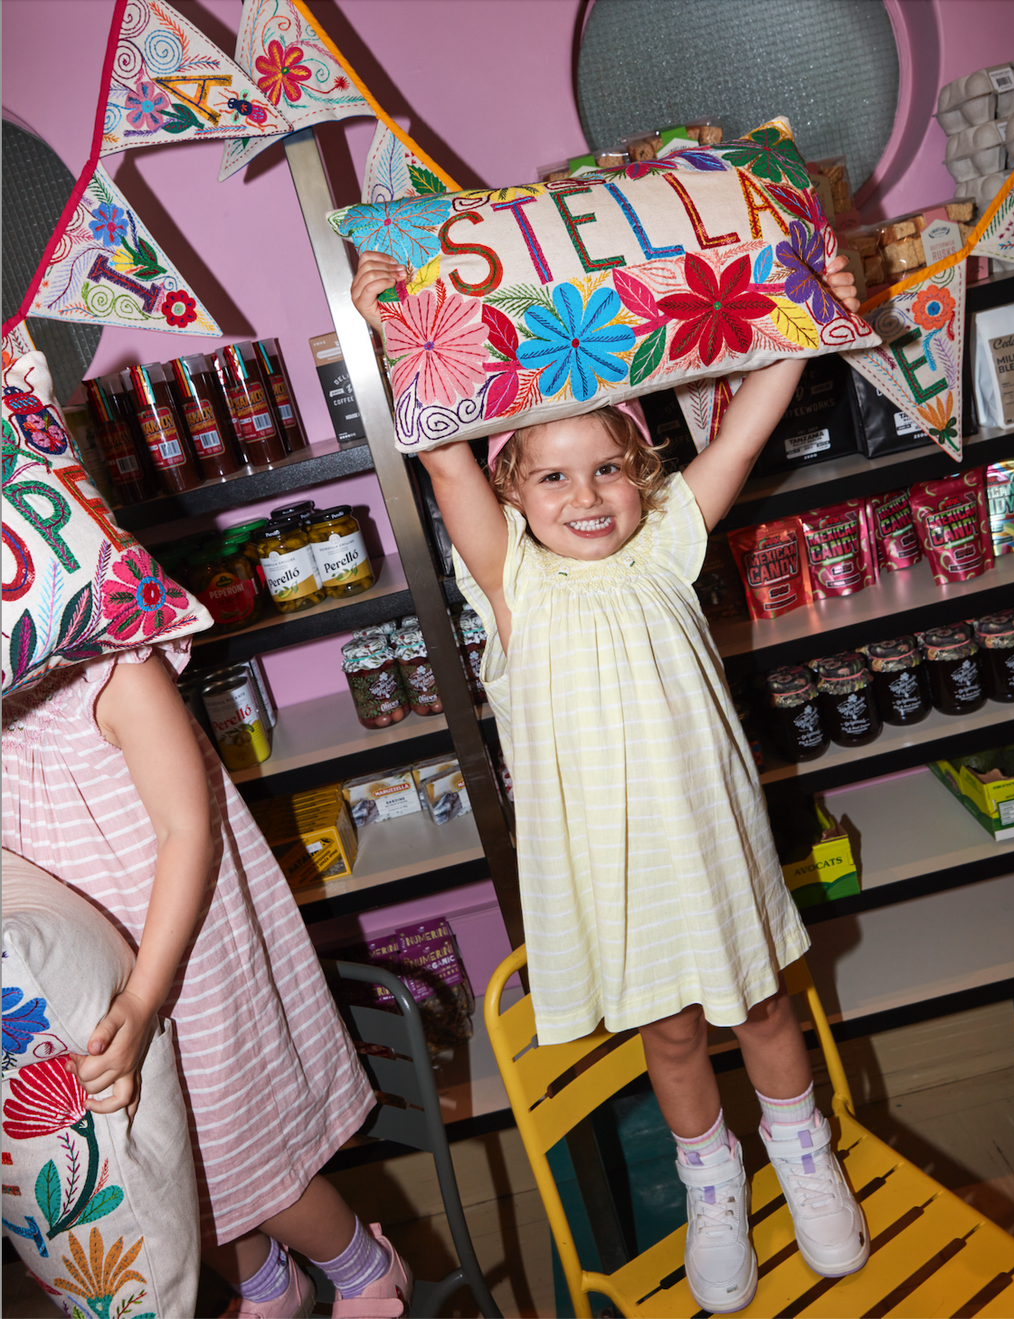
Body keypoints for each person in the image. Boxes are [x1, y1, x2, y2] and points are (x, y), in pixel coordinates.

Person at [352, 250, 868, 1312]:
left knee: (764, 1003)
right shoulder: (512, 588)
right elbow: (444, 462)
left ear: (642, 473)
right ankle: (711, 1178)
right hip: (612, 865)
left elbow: (753, 414)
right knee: (670, 1030)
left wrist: (816, 298)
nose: (585, 495)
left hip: (710, 844)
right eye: (550, 474)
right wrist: (396, 330)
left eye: (606, 468)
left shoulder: (670, 538)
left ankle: (802, 1149)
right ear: (512, 491)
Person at [2, 643, 410, 1319]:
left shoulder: (115, 671)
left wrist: (142, 995)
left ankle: (367, 1271)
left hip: (184, 962)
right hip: (85, 981)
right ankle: (269, 1285)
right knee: (159, 1174)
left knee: (241, 1153)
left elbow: (185, 829)